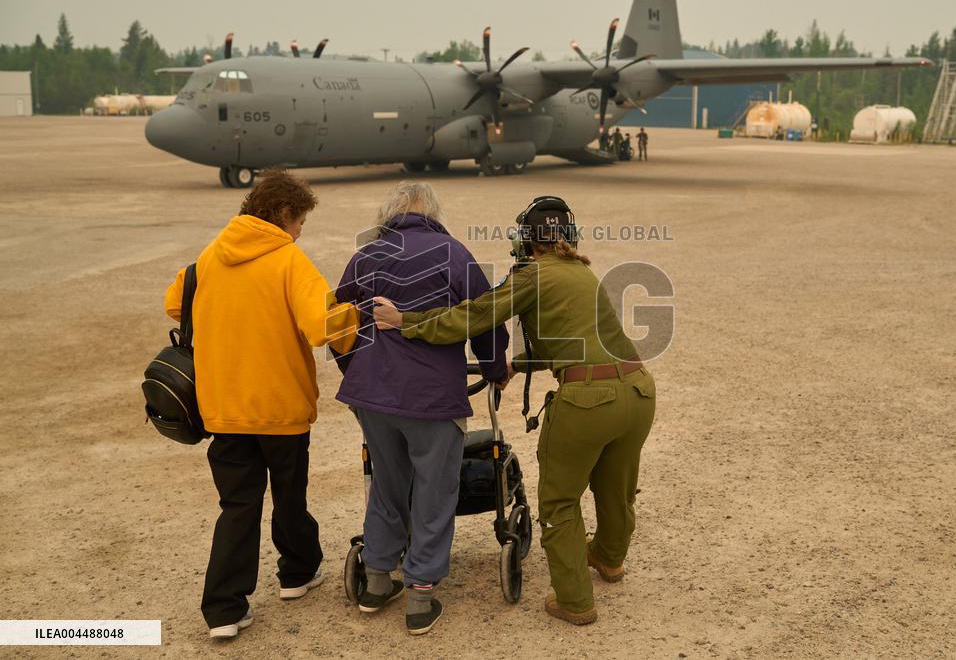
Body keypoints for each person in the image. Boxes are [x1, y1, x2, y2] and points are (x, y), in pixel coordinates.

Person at [372, 196, 656, 626]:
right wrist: (517, 365)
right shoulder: (581, 271)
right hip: (638, 392)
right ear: (569, 235)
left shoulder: (531, 274)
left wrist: (405, 322)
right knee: (615, 488)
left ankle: (575, 602)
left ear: (525, 240)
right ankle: (610, 559)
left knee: (560, 502)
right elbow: (576, 343)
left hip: (587, 400)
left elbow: (474, 315)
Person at [164, 169, 359, 639]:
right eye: (300, 222)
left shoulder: (211, 255)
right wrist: (359, 315)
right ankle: (296, 573)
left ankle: (224, 610)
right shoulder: (289, 260)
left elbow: (175, 303)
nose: (300, 231)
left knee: (237, 505)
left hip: (223, 406)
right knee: (290, 495)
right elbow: (323, 326)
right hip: (279, 406)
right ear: (285, 213)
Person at [333, 181, 509, 635]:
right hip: (431, 397)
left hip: (373, 396)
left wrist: (357, 371)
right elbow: (484, 317)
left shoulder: (365, 256)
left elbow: (338, 323)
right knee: (434, 491)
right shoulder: (453, 253)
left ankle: (377, 579)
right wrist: (494, 369)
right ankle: (420, 594)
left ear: (389, 214)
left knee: (388, 483)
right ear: (432, 213)